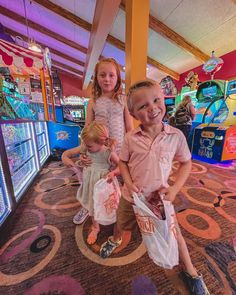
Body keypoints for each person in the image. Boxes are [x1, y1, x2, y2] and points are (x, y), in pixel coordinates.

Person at [99, 80, 210, 295]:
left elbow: (186, 163)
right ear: (132, 112)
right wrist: (129, 184)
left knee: (175, 233)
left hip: (160, 199)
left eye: (156, 100)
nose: (152, 108)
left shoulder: (176, 136)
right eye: (143, 106)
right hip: (132, 196)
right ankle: (115, 240)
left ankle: (192, 272)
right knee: (121, 222)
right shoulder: (130, 138)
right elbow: (122, 162)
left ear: (163, 100)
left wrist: (175, 188)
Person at [72, 57, 133, 225]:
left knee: (115, 182)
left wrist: (132, 150)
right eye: (102, 75)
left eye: (111, 75)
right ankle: (88, 206)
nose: (107, 79)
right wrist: (83, 152)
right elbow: (86, 130)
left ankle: (114, 207)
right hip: (97, 152)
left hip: (119, 150)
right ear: (96, 77)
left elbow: (129, 127)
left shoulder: (123, 99)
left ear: (118, 78)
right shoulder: (92, 101)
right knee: (93, 181)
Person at [61, 121, 120, 245]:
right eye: (85, 144)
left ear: (101, 142)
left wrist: (113, 173)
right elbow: (67, 154)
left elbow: (121, 166)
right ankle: (96, 227)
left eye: (89, 146)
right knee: (93, 205)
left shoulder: (108, 152)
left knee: (105, 205)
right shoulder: (85, 146)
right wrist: (65, 158)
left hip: (103, 185)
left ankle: (111, 221)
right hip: (89, 183)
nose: (85, 147)